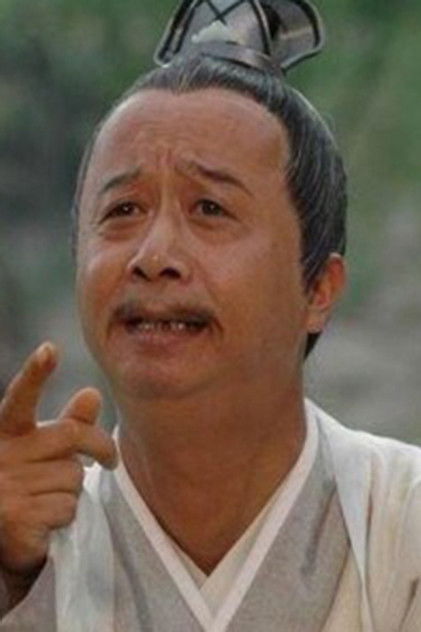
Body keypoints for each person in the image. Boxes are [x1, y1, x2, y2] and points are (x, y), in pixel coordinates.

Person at [0, 1, 421, 630]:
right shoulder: (24, 541)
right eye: (122, 211)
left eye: (210, 209)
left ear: (318, 288)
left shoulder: (403, 524)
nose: (153, 256)